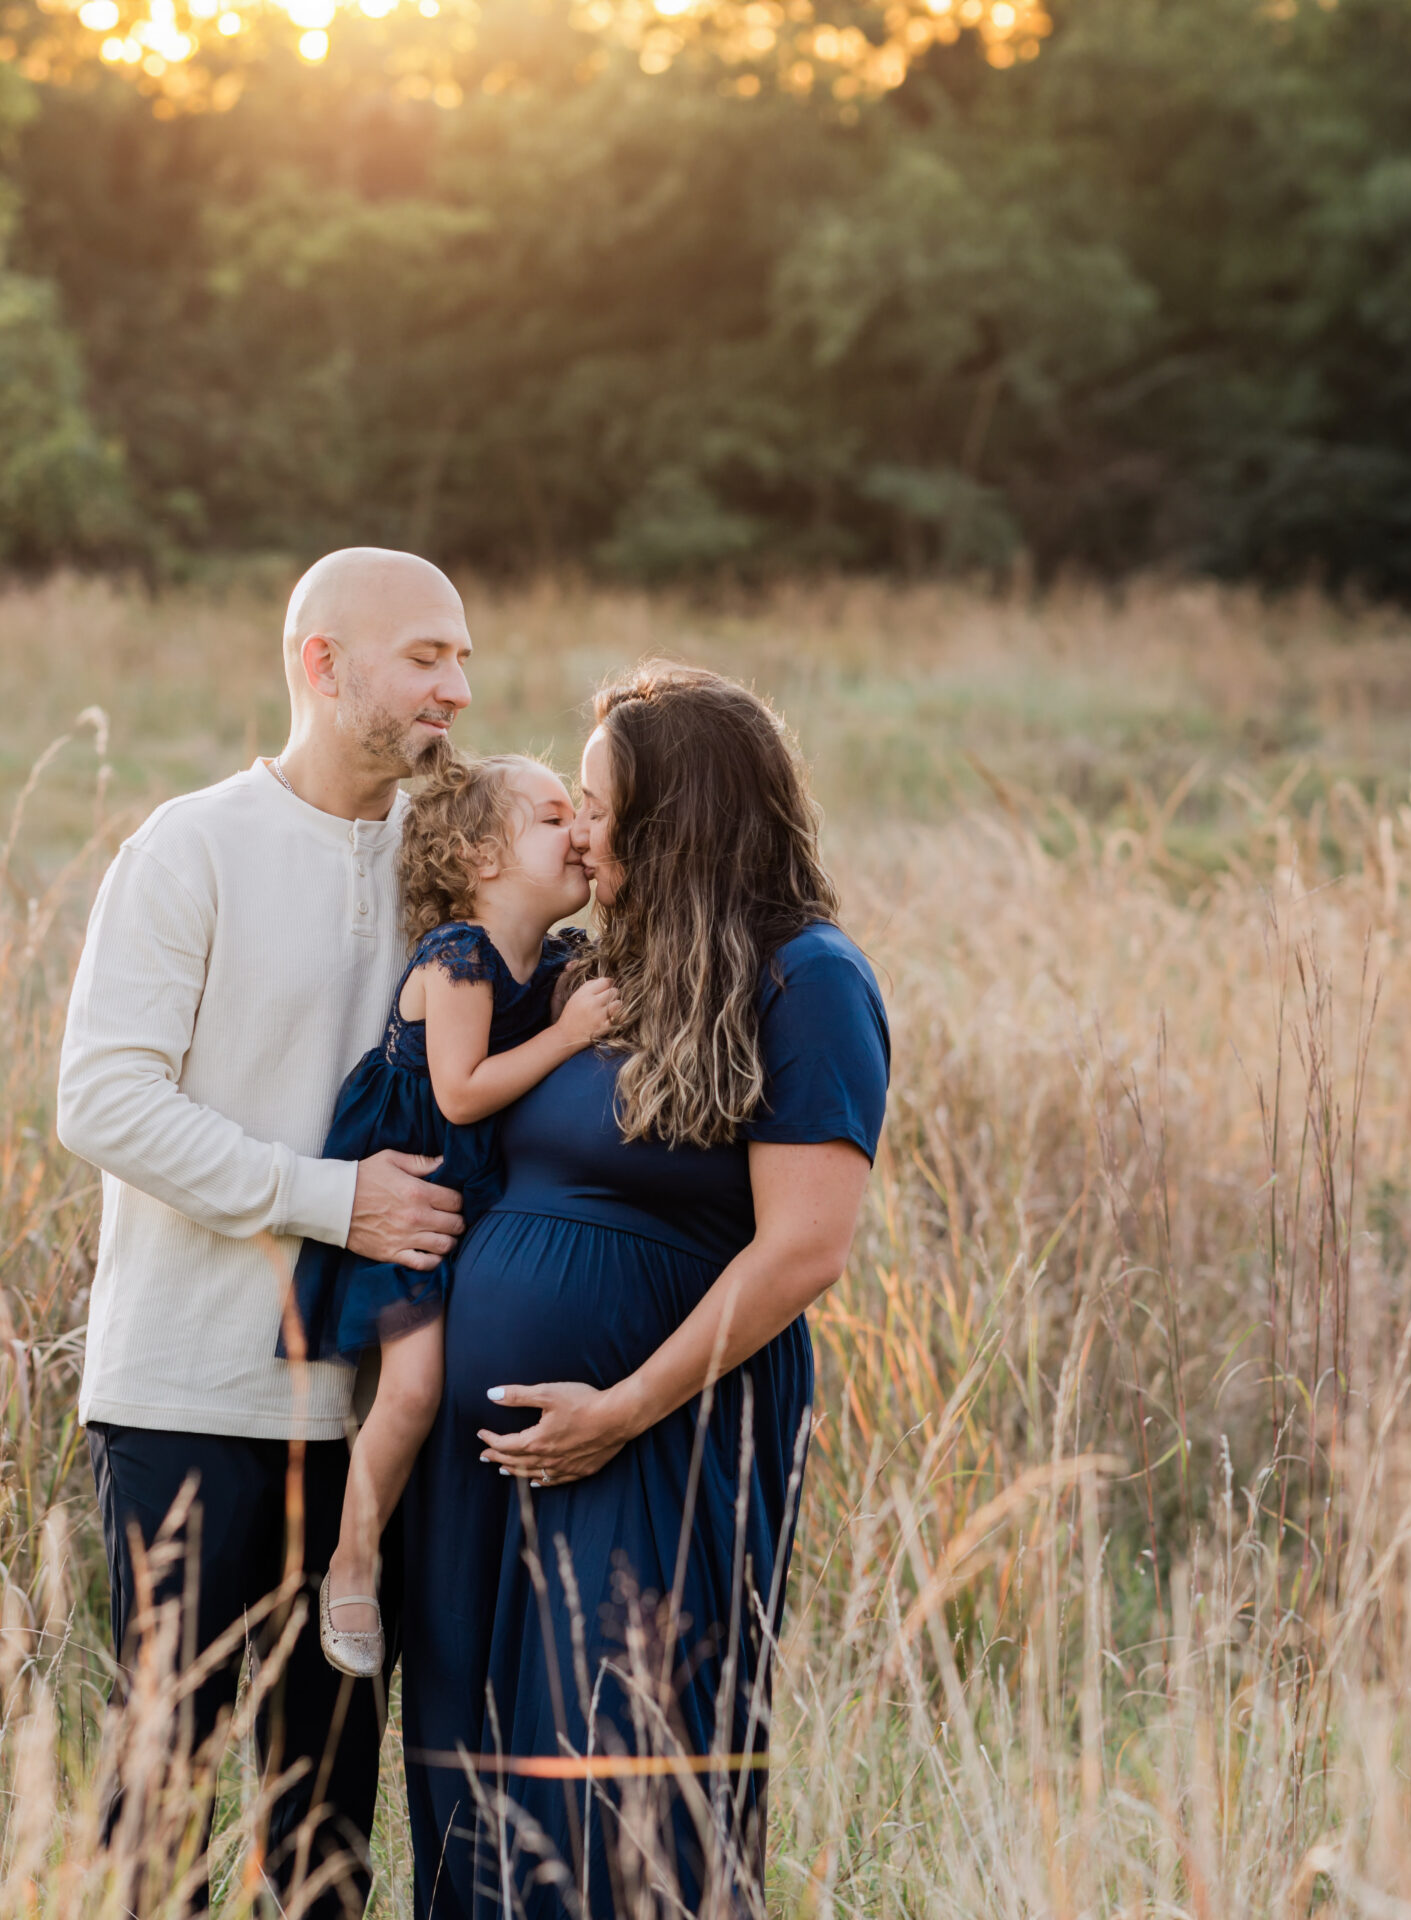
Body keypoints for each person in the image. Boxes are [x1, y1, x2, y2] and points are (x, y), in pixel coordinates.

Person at [402, 664, 892, 1920]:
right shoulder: (587, 975)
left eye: (601, 806)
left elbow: (802, 1249)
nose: (580, 830)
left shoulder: (807, 978)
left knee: (619, 1782)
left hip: (655, 1437)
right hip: (481, 1459)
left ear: (679, 818)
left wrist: (620, 1408)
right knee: (472, 1777)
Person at [56, 547, 477, 1918]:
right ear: (322, 662)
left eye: (463, 661)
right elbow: (104, 1099)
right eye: (425, 657)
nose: (455, 690)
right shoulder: (194, 844)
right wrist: (329, 1196)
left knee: (326, 1824)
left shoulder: (446, 871)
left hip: (367, 1424)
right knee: (158, 1810)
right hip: (188, 1400)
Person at [280, 753, 623, 1680]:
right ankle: (351, 1565)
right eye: (556, 818)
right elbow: (464, 1095)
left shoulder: (549, 959)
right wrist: (569, 1034)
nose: (581, 833)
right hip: (416, 1185)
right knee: (416, 1386)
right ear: (480, 856)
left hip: (476, 1193)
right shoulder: (460, 956)